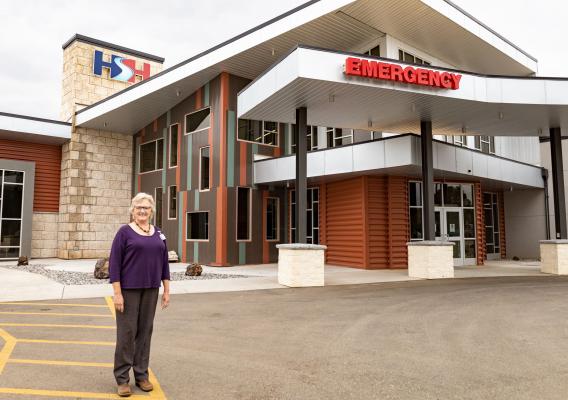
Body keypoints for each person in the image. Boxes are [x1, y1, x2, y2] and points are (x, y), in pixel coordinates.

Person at [109, 192, 171, 397]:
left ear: (152, 211)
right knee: (127, 333)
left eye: (146, 207)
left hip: (151, 290)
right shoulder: (124, 232)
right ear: (132, 211)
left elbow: (164, 264)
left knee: (144, 333)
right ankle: (122, 379)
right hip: (128, 290)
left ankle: (142, 375)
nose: (142, 211)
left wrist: (166, 290)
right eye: (139, 207)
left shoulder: (158, 233)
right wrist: (117, 293)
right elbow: (115, 264)